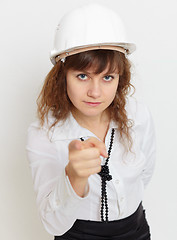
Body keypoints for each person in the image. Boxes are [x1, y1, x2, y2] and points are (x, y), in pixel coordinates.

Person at [26, 3, 156, 240]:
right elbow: (52, 224)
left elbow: (145, 174)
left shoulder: (138, 115)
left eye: (107, 77)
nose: (95, 92)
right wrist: (74, 177)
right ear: (62, 77)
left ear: (121, 78)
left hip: (137, 231)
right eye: (83, 76)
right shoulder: (43, 133)